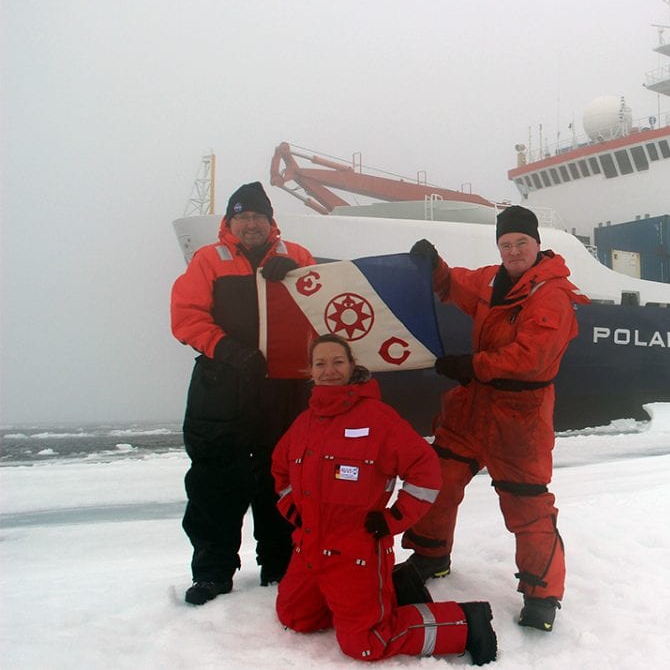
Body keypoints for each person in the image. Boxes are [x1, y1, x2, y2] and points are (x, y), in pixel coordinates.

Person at [401, 205, 589, 632]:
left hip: (519, 418)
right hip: (472, 408)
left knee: (527, 504)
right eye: (506, 244)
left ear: (538, 245)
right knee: (439, 477)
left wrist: (473, 365)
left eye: (521, 242)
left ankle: (542, 595)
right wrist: (433, 266)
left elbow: (532, 357)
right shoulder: (492, 279)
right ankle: (431, 553)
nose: (513, 250)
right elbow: (455, 286)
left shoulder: (551, 295)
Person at [272, 334, 496, 665]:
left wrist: (394, 519)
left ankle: (466, 622)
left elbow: (426, 471)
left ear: (352, 366)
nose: (329, 370)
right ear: (310, 371)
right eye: (320, 363)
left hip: (357, 553)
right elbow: (281, 470)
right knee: (296, 618)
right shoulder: (304, 422)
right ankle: (382, 597)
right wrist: (294, 511)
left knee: (366, 644)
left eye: (337, 361)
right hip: (310, 549)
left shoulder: (378, 419)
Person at [170, 181, 315, 605]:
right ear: (230, 222)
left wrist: (292, 274)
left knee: (282, 477)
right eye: (243, 216)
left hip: (282, 389)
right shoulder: (207, 261)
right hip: (222, 388)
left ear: (271, 222)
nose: (251, 224)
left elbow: (321, 306)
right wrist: (228, 350)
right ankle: (213, 572)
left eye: (258, 216)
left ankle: (280, 564)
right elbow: (186, 318)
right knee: (215, 480)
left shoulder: (298, 256)